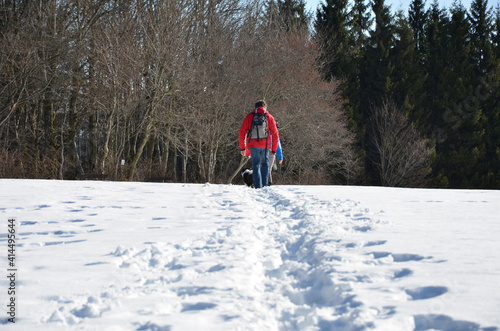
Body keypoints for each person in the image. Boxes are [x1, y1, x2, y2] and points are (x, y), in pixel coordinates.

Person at [239, 100, 279, 188]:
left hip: (253, 145)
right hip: (265, 146)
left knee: (256, 165)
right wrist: (274, 149)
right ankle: (265, 186)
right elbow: (275, 134)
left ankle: (258, 186)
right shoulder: (269, 117)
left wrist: (243, 148)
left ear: (255, 107)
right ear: (265, 107)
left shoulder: (249, 117)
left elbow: (242, 132)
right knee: (265, 164)